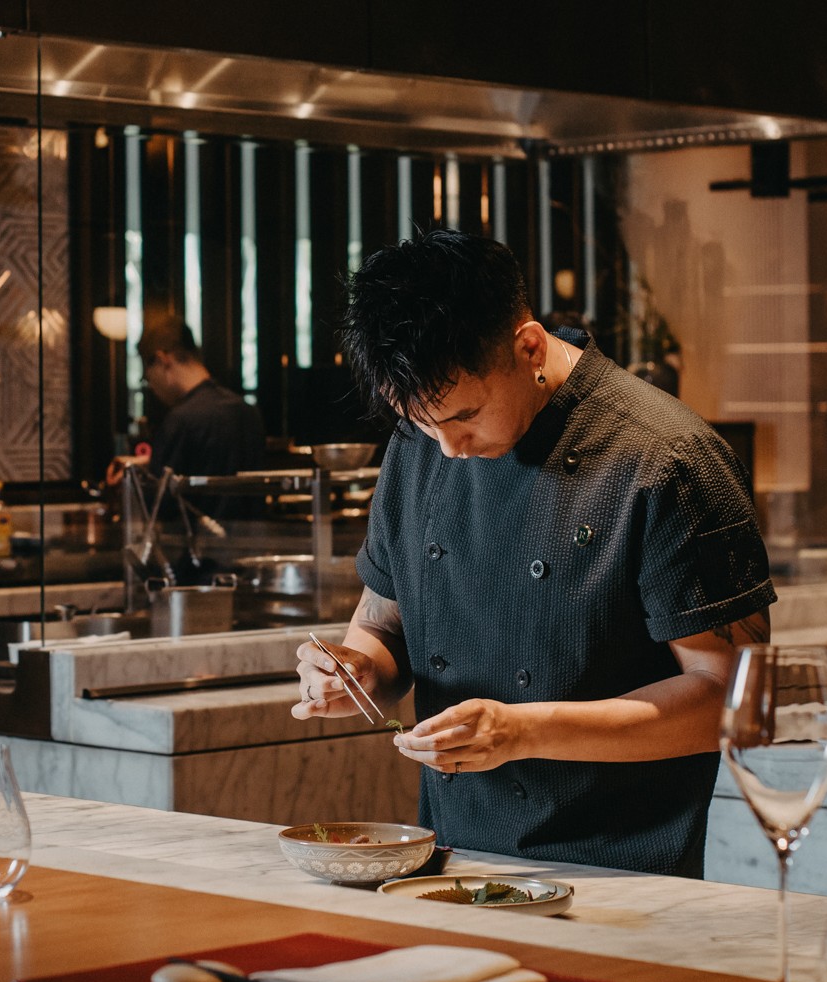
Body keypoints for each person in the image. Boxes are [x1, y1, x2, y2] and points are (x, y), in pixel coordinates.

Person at [293, 232, 773, 878]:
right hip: (448, 864)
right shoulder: (419, 444)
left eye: (465, 416)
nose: (450, 449)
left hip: (621, 876)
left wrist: (523, 731)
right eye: (423, 423)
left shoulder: (667, 460)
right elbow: (384, 624)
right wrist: (354, 672)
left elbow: (735, 700)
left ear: (529, 348)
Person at [109, 314, 265, 482]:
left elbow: (161, 495)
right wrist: (149, 463)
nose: (152, 387)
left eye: (148, 378)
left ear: (162, 360)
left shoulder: (181, 421)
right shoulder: (248, 412)